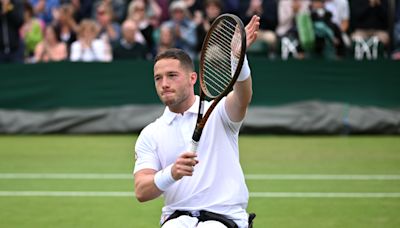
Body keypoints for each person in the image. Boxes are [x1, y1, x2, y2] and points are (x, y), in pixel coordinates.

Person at [133, 15, 260, 228]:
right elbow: (141, 190)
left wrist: (238, 58)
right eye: (158, 78)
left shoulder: (219, 112)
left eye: (172, 75)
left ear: (193, 78)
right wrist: (171, 173)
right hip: (176, 220)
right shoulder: (151, 133)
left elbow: (243, 97)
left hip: (224, 219)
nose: (164, 83)